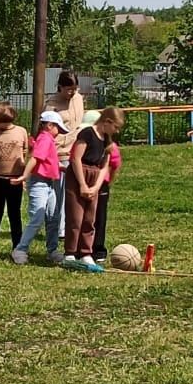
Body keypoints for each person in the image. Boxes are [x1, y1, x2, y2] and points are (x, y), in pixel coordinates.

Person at [63, 107, 125, 271]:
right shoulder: (87, 134)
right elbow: (76, 158)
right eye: (116, 127)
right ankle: (70, 252)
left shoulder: (107, 140)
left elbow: (105, 166)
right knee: (76, 216)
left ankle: (86, 252)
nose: (116, 131)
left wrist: (96, 187)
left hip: (94, 175)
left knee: (90, 218)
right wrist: (82, 184)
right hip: (79, 174)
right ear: (107, 122)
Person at [10, 111, 69, 265]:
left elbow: (49, 161)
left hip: (49, 184)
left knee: (53, 218)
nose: (59, 133)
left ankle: (52, 250)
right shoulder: (45, 139)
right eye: (58, 129)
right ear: (49, 126)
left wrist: (61, 168)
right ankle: (20, 249)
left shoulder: (48, 139)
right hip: (39, 183)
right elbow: (35, 159)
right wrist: (25, 175)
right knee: (37, 217)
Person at [44, 70, 84, 243]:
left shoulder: (78, 99)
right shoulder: (51, 104)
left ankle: (69, 225)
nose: (72, 92)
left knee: (71, 192)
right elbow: (46, 131)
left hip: (75, 152)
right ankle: (58, 228)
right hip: (59, 153)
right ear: (60, 87)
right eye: (68, 89)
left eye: (75, 88)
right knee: (58, 192)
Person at [0, 102, 28, 258]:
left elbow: (24, 151)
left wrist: (23, 175)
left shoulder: (21, 131)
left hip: (14, 179)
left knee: (14, 213)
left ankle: (17, 245)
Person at [91, 113, 122, 264]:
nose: (117, 131)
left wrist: (108, 182)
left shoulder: (111, 147)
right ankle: (82, 249)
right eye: (116, 127)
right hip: (87, 182)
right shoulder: (88, 139)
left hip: (101, 184)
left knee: (99, 217)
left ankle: (98, 249)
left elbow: (115, 165)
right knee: (85, 217)